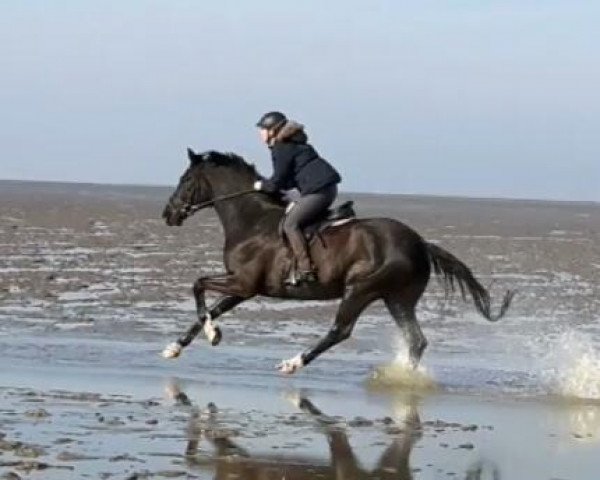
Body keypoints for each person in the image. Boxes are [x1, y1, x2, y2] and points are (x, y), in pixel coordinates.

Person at [254, 111, 341, 285]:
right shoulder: (292, 144)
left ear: (273, 130)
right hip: (323, 188)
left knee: (290, 224)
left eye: (263, 129)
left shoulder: (281, 147)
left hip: (318, 191)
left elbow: (277, 181)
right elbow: (288, 178)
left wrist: (261, 186)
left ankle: (305, 269)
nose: (260, 133)